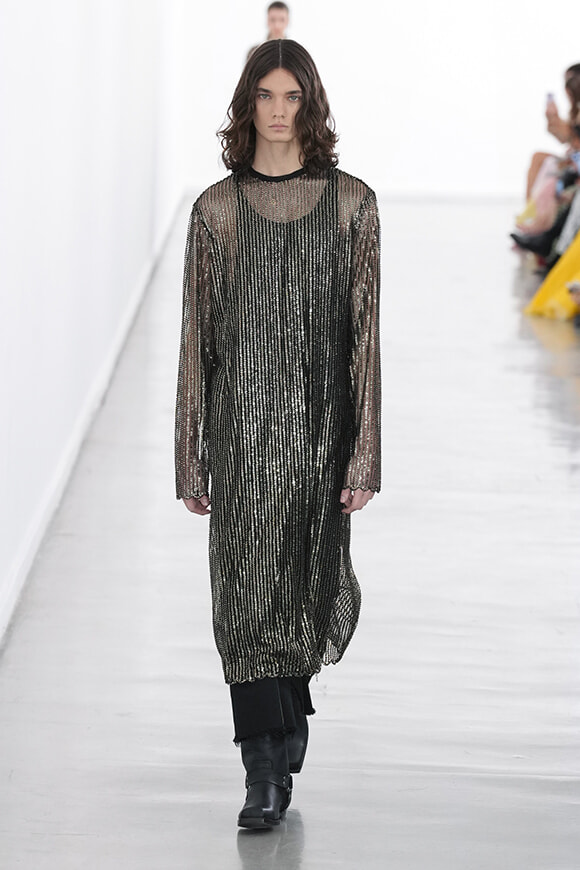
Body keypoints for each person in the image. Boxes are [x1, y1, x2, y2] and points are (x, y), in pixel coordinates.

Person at [174, 39, 381, 829]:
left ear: (311, 104)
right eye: (266, 95)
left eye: (293, 96)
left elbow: (365, 338)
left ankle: (287, 711)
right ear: (246, 103)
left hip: (322, 432)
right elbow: (197, 340)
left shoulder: (353, 204)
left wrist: (364, 453)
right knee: (242, 597)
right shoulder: (216, 211)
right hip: (239, 432)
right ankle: (262, 769)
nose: (279, 111)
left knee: (302, 588)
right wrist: (191, 453)